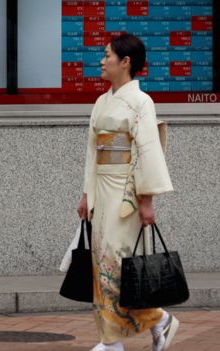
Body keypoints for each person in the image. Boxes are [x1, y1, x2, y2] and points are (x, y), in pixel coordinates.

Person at [76, 33, 179, 351]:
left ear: (126, 62)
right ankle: (116, 338)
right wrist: (86, 194)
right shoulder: (102, 101)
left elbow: (147, 151)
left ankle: (147, 324)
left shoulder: (140, 102)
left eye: (107, 55)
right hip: (102, 190)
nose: (102, 61)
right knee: (102, 264)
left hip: (126, 194)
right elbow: (93, 152)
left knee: (117, 265)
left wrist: (146, 199)